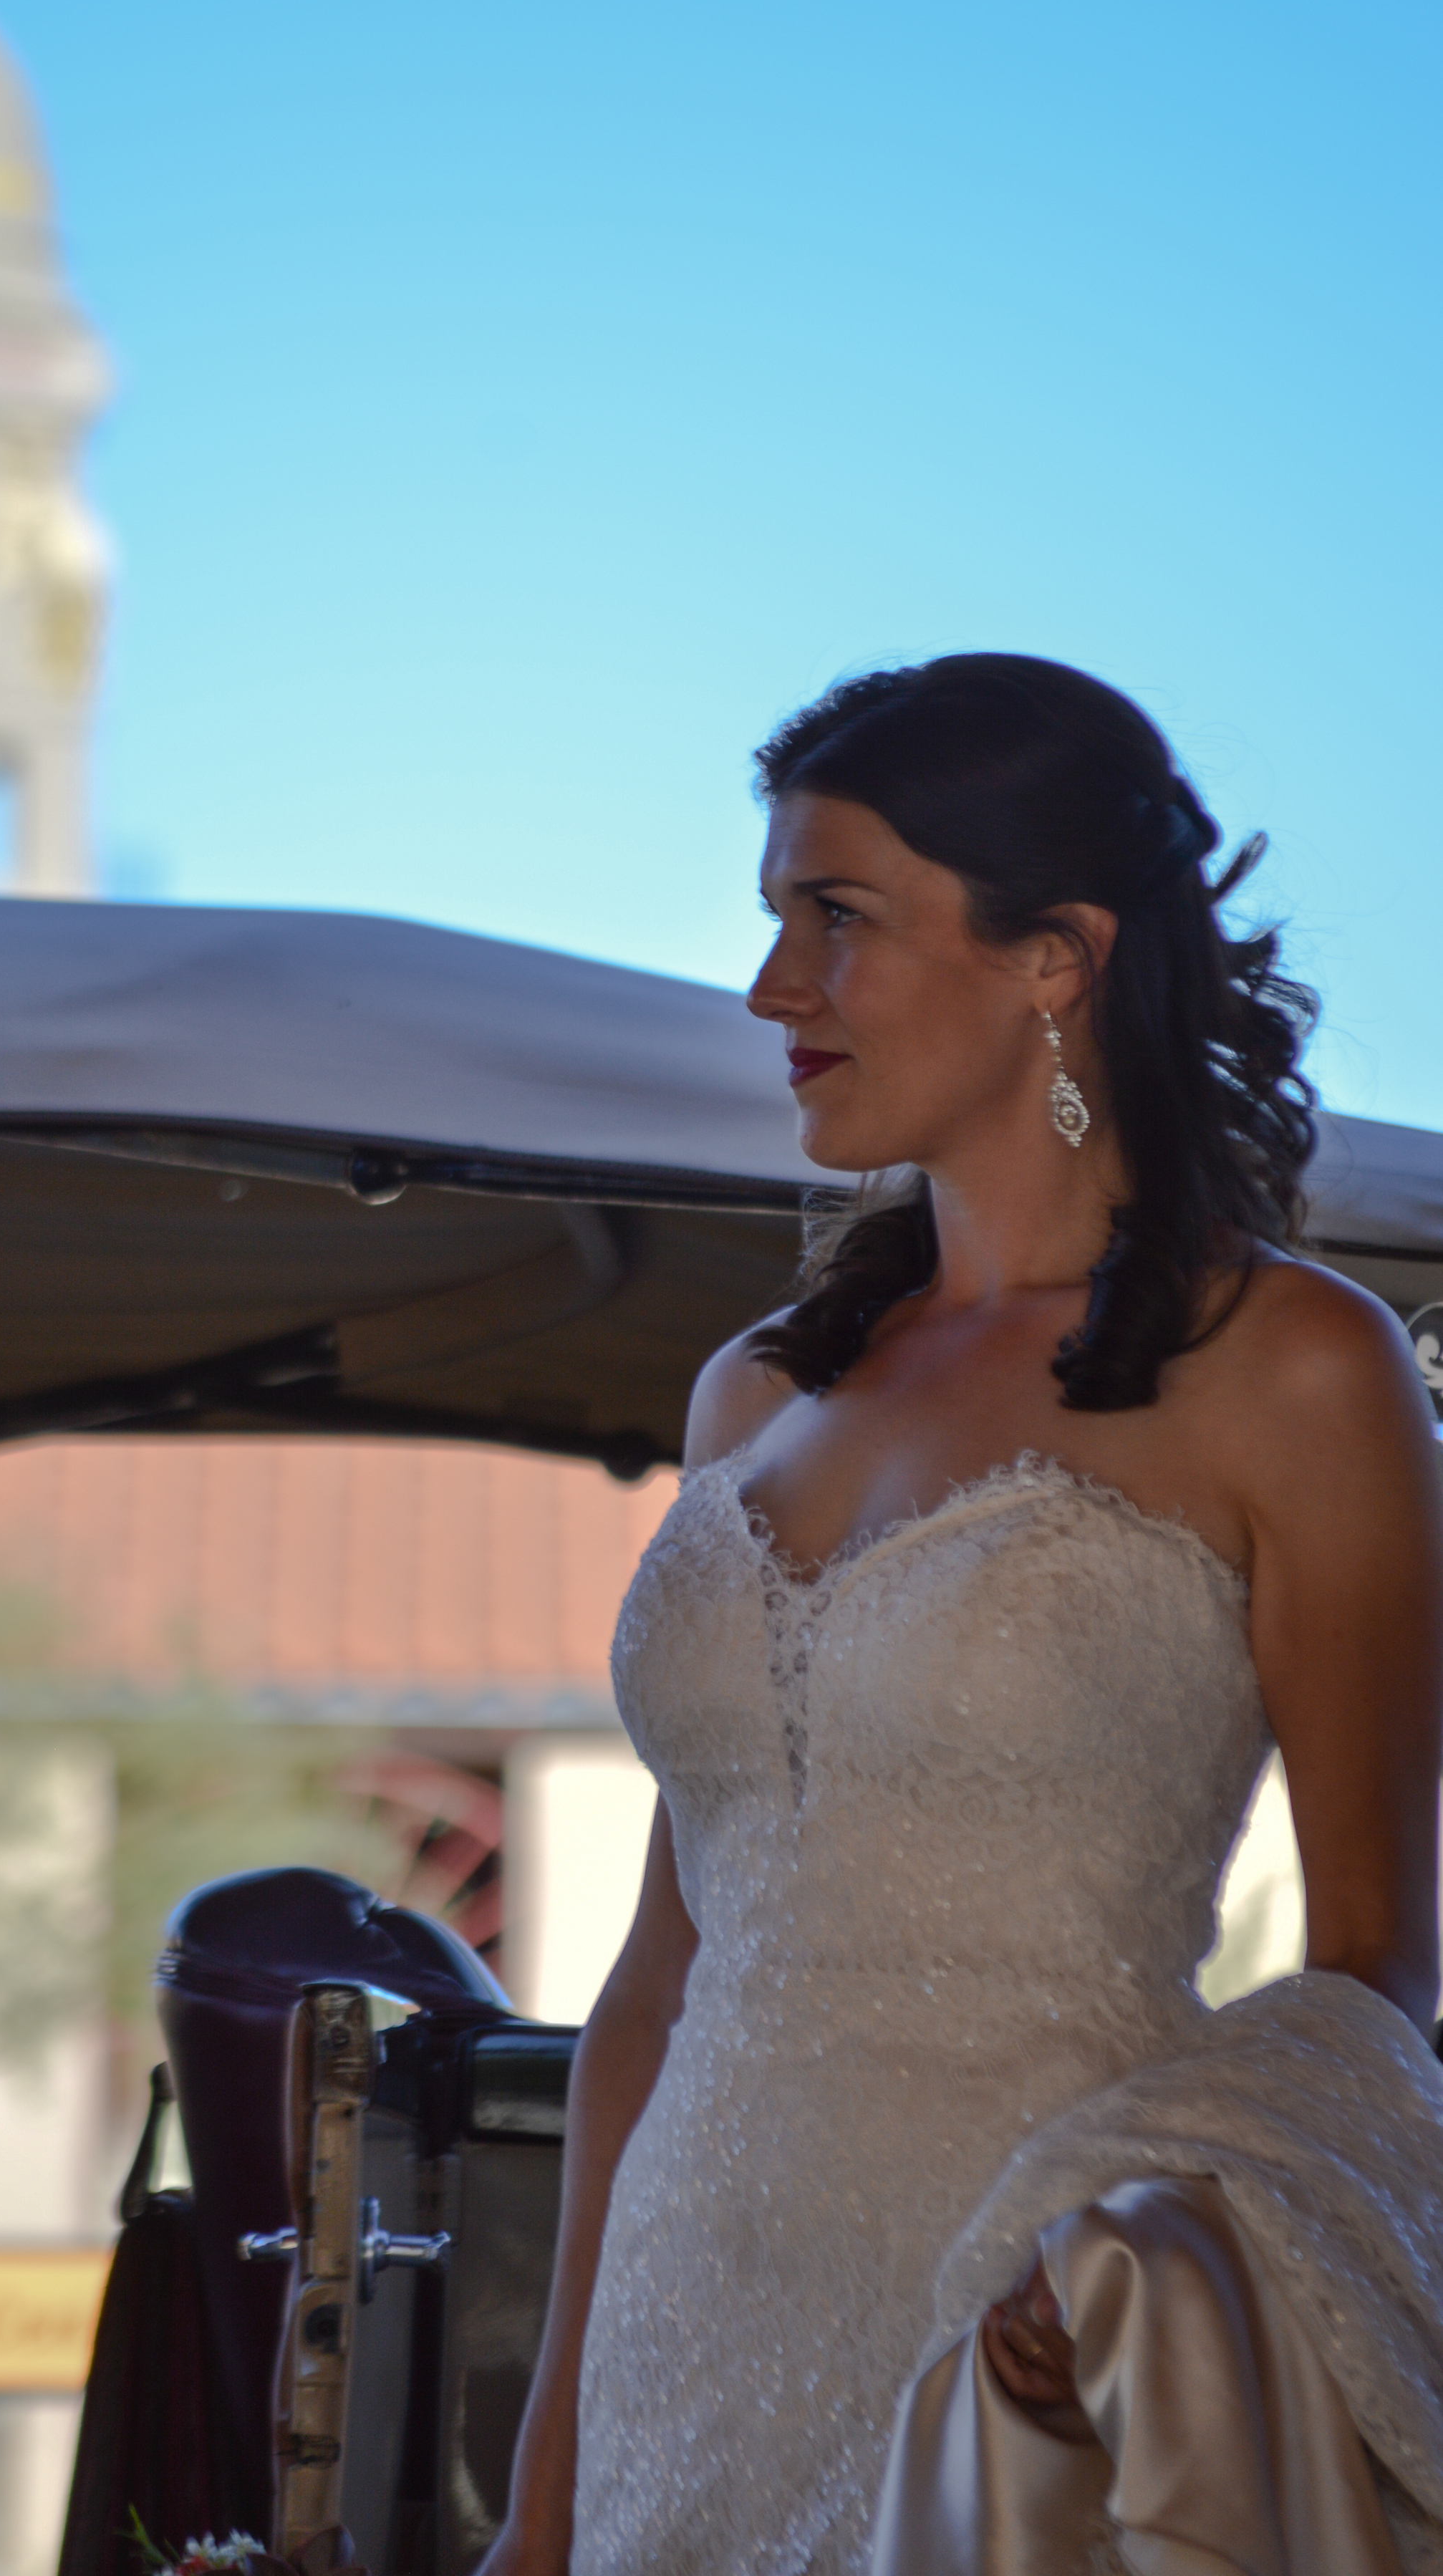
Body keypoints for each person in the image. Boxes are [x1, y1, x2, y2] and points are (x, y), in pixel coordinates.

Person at [474, 655, 1443, 2576]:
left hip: (1015, 2346)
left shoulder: (1298, 1370)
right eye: (773, 925)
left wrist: (1130, 2254)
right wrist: (540, 2500)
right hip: (681, 2328)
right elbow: (657, 1983)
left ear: (1054, 956)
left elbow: (1373, 1974)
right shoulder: (754, 1393)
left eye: (834, 919)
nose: (773, 992)